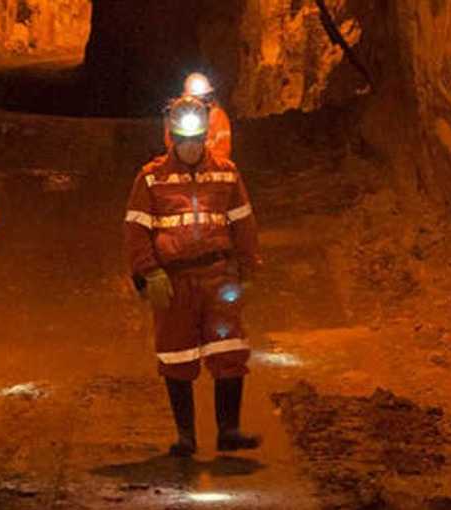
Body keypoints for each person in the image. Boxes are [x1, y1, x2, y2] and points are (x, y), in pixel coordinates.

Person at [126, 96, 261, 457]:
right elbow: (136, 230)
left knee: (229, 349)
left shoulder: (226, 173)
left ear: (204, 138)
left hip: (218, 275)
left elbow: (243, 222)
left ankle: (228, 431)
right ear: (172, 138)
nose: (189, 148)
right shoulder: (151, 178)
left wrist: (248, 266)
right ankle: (185, 436)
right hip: (174, 281)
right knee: (177, 355)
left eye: (195, 141)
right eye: (182, 141)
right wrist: (149, 273)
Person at [162, 72, 232, 160]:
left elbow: (222, 149)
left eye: (204, 98)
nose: (199, 102)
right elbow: (170, 144)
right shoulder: (176, 115)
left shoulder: (218, 116)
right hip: (180, 167)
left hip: (210, 167)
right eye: (195, 97)